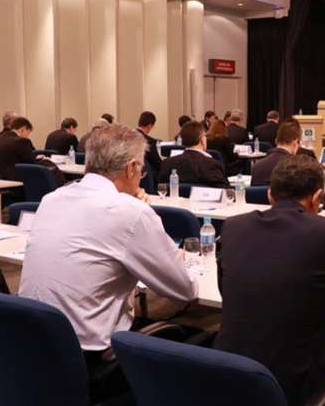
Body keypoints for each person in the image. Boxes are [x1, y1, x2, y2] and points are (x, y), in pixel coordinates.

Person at [18, 124, 197, 397]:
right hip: (91, 359)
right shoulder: (130, 212)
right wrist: (144, 213)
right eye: (141, 171)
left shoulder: (52, 199)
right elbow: (184, 289)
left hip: (33, 345)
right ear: (131, 168)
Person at [214, 155, 325, 406]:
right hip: (296, 385)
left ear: (270, 195)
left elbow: (224, 289)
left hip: (228, 374)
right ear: (317, 198)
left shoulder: (232, 226)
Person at [159, 121, 230, 189]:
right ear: (202, 139)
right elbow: (227, 193)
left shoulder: (167, 163)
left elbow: (161, 191)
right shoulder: (211, 165)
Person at [137, 111, 162, 179]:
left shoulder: (128, 136)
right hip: (147, 177)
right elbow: (158, 164)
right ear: (150, 126)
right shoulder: (149, 141)